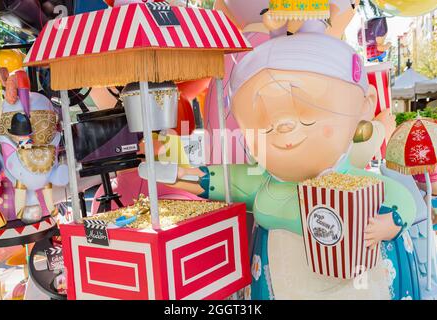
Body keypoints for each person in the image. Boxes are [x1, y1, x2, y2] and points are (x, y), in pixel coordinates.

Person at [140, 30, 416, 299]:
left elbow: (398, 197)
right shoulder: (265, 180)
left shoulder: (354, 180)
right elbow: (224, 180)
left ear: (363, 106)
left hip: (355, 282)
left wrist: (391, 220)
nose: (284, 132)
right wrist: (178, 176)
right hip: (279, 278)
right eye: (265, 128)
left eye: (307, 120)